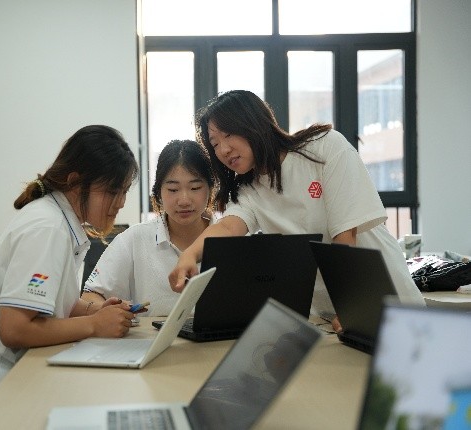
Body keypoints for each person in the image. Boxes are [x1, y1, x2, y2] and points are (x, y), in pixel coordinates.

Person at [169, 90, 425, 328]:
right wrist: (189, 255)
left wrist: (350, 305)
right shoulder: (249, 189)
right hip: (328, 314)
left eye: (228, 135)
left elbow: (345, 235)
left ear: (253, 123)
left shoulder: (323, 147)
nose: (224, 150)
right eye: (214, 144)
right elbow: (228, 226)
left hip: (381, 296)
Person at [0, 125, 139, 415]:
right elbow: (14, 329)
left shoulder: (58, 221)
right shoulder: (47, 228)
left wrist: (95, 311)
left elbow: (48, 303)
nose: (121, 202)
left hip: (20, 383)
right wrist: (94, 325)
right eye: (113, 191)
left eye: (124, 191)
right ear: (75, 182)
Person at [81, 139, 216, 316]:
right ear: (158, 192)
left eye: (195, 188)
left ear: (211, 189)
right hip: (149, 335)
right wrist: (107, 310)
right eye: (173, 190)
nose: (184, 200)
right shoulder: (133, 239)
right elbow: (90, 296)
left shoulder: (231, 237)